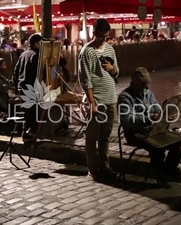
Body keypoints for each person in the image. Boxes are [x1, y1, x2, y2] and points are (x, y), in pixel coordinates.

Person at [117, 67, 181, 189]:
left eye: (146, 81)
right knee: (157, 147)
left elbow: (157, 109)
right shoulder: (125, 97)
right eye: (142, 81)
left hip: (151, 130)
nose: (145, 84)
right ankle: (162, 176)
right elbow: (127, 120)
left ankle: (165, 173)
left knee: (180, 143)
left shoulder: (148, 93)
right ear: (134, 80)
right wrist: (149, 117)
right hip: (135, 133)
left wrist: (166, 113)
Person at [78, 18, 119, 181]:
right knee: (92, 136)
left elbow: (117, 70)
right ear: (94, 33)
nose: (104, 39)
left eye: (107, 36)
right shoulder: (87, 51)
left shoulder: (110, 49)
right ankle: (93, 169)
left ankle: (105, 166)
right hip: (97, 99)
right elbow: (84, 78)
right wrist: (91, 102)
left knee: (106, 136)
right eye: (101, 36)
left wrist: (112, 69)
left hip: (110, 98)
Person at [13, 33, 44, 142]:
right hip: (31, 89)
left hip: (22, 87)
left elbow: (15, 72)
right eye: (41, 43)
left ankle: (26, 137)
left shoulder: (24, 54)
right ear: (36, 44)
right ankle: (29, 137)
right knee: (33, 115)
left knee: (27, 115)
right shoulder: (37, 55)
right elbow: (38, 74)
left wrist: (17, 87)